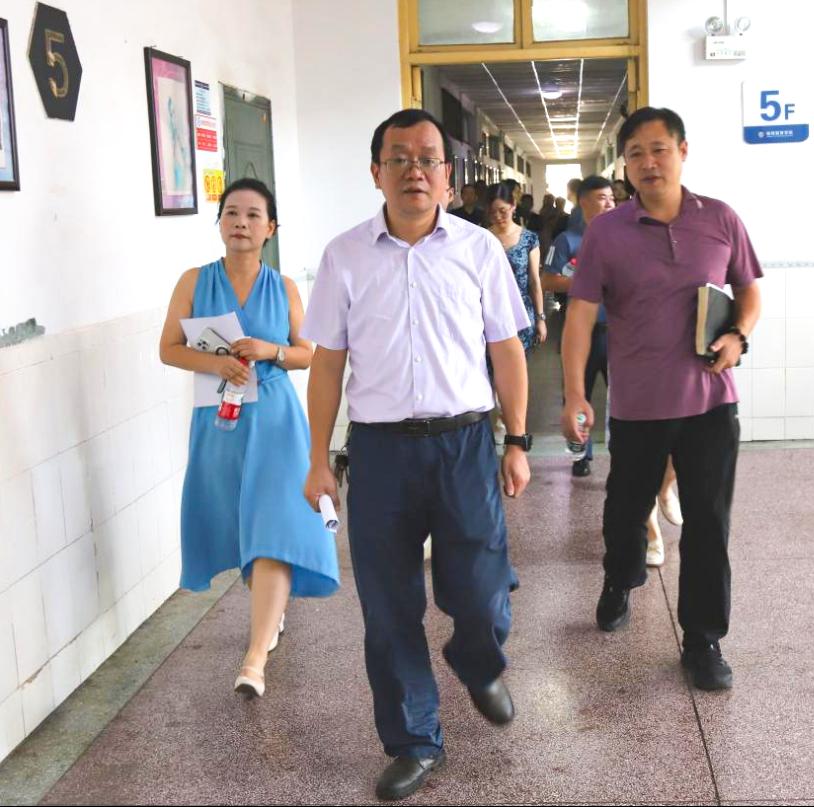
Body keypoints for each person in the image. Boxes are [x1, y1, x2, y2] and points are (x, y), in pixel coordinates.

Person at [301, 109, 532, 802]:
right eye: (399, 158)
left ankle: (478, 658)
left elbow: (506, 350)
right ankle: (413, 739)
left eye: (427, 158)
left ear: (447, 175)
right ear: (376, 172)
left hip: (464, 442)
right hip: (379, 453)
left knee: (482, 584)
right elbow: (326, 364)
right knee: (388, 603)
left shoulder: (479, 250)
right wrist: (318, 459)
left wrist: (517, 440)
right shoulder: (344, 256)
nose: (414, 170)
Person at [560, 106, 763, 691]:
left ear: (682, 151)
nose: (648, 162)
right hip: (638, 405)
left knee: (709, 523)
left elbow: (749, 290)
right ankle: (620, 578)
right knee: (625, 514)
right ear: (624, 165)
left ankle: (703, 638)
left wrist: (738, 335)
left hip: (711, 403)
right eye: (636, 154)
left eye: (659, 149)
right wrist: (574, 392)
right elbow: (580, 315)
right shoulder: (607, 231)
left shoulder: (720, 218)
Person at [158, 178, 340, 699]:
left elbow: (307, 353)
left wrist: (268, 350)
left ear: (270, 228)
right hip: (221, 420)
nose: (241, 222)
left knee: (273, 526)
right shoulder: (194, 281)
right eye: (231, 213)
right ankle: (270, 615)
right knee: (242, 524)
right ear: (219, 223)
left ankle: (255, 658)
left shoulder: (284, 288)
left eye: (253, 215)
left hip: (277, 421)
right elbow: (169, 348)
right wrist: (217, 363)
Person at [541, 175, 614, 478]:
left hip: (616, 333)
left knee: (621, 398)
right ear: (583, 202)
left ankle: (623, 453)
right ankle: (580, 454)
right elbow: (548, 279)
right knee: (576, 394)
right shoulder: (567, 240)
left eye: (611, 198)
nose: (609, 204)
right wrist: (586, 283)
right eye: (601, 198)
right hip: (581, 333)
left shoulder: (622, 238)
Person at [486, 182, 546, 355]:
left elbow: (534, 282)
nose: (497, 216)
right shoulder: (482, 238)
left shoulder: (528, 239)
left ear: (513, 206)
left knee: (518, 364)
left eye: (502, 211)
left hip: (521, 314)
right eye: (492, 212)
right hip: (491, 313)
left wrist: (540, 318)